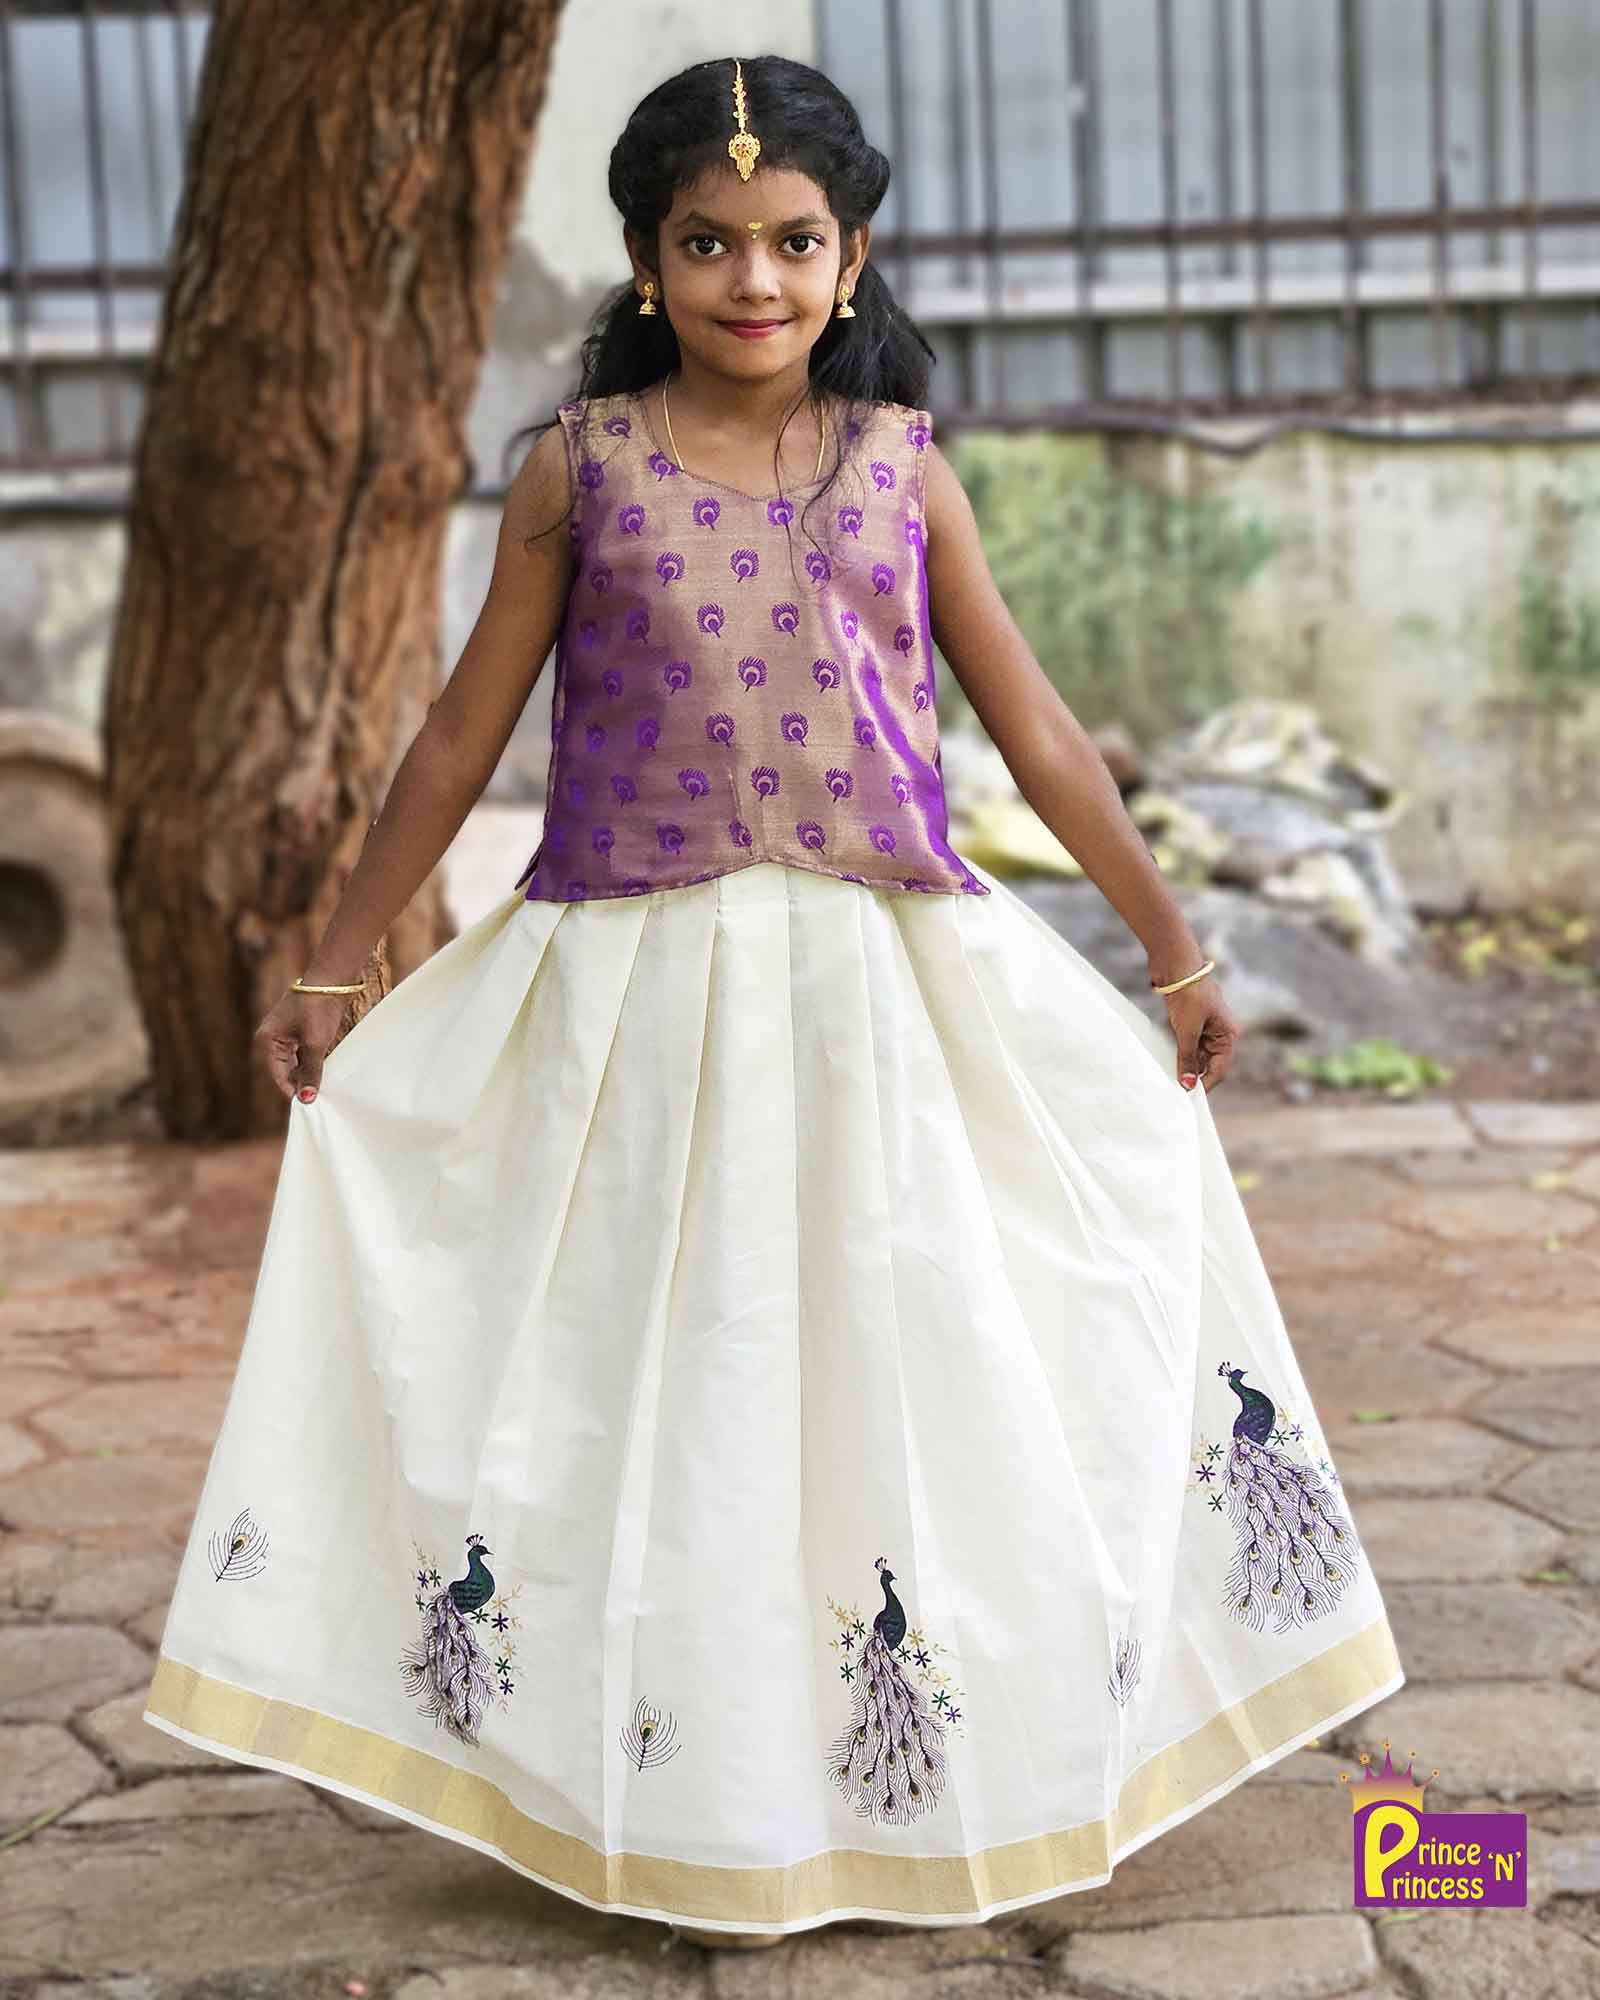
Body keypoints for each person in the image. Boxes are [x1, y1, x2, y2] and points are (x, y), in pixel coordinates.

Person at [142, 53, 1404, 1954]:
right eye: (710, 242)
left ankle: (947, 1778)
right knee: (664, 1388)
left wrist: (1174, 945)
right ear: (648, 260)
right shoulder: (579, 470)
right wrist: (336, 959)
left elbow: (1035, 728)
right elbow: (457, 736)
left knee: (917, 1360)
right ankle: (684, 1799)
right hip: (637, 1015)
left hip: (883, 1001)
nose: (756, 278)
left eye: (796, 242)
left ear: (852, 257)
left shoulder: (901, 467)